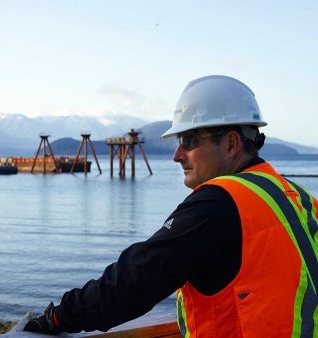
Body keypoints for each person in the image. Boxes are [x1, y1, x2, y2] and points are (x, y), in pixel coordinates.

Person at [24, 75, 318, 337]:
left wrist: (60, 316)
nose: (177, 155)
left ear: (230, 144)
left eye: (188, 140)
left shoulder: (219, 203)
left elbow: (134, 280)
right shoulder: (300, 198)